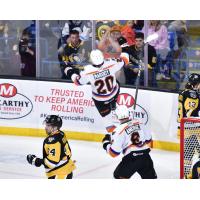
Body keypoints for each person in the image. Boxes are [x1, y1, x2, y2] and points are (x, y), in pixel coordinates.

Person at [102, 105, 157, 179]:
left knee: (118, 176)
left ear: (117, 117)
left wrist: (106, 144)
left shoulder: (118, 131)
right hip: (146, 157)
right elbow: (149, 141)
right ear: (129, 114)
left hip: (131, 159)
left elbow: (114, 153)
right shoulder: (141, 123)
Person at [26, 115, 76, 179]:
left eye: (48, 125)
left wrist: (36, 161)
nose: (45, 127)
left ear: (55, 127)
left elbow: (52, 163)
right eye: (46, 125)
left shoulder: (52, 141)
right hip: (66, 169)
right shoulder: (61, 133)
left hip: (59, 173)